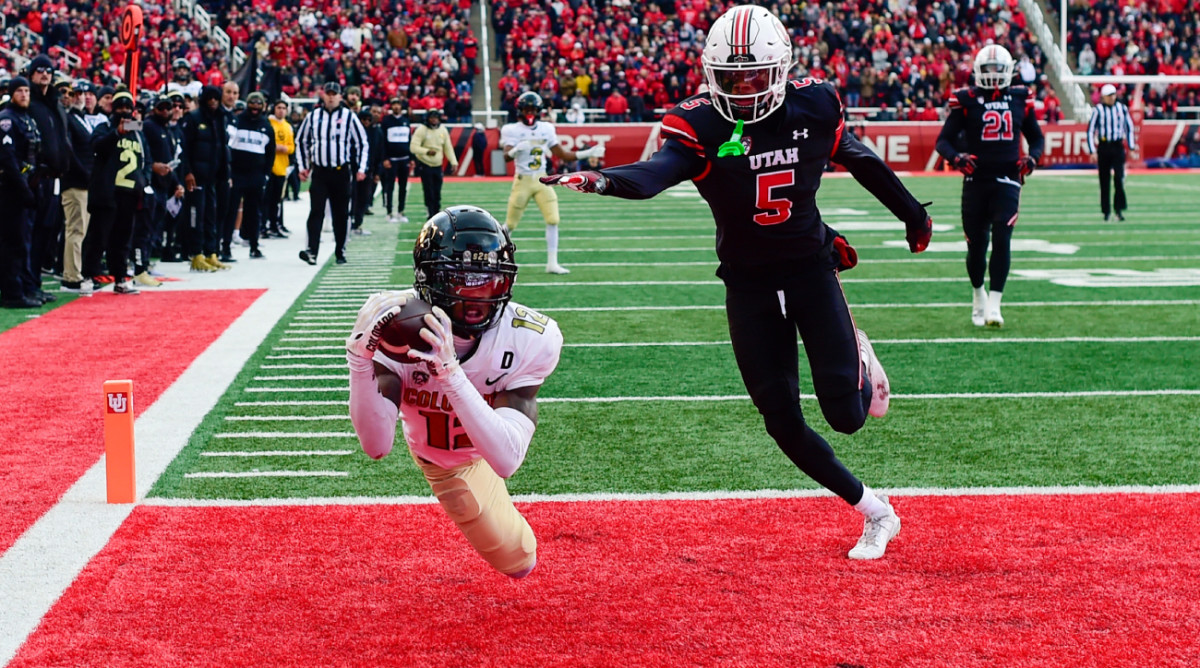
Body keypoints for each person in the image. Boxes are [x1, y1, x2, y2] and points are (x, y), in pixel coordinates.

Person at [542, 4, 933, 560]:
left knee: (846, 416)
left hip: (809, 269)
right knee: (781, 421)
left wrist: (913, 214)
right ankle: (876, 511)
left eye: (755, 75)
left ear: (782, 69)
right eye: (732, 78)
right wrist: (604, 179)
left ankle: (861, 355)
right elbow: (656, 174)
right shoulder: (699, 123)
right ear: (711, 75)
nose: (745, 89)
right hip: (747, 283)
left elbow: (860, 157)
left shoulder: (814, 105)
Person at [347, 205, 562, 578]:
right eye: (461, 279)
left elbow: (507, 460)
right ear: (428, 280)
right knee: (519, 559)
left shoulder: (531, 337)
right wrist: (358, 362)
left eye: (489, 279)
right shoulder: (397, 330)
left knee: (520, 562)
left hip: (487, 447)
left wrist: (449, 373)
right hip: (443, 460)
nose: (478, 295)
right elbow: (377, 446)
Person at [935, 44, 1044, 328]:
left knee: (1002, 238)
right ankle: (978, 295)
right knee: (976, 246)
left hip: (1008, 178)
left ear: (1009, 71)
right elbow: (943, 141)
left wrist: (1032, 158)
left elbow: (1037, 138)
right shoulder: (967, 99)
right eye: (988, 69)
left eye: (998, 69)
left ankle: (995, 304)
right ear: (978, 72)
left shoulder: (1021, 97)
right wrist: (956, 158)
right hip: (976, 179)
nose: (994, 74)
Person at [500, 91, 604, 274]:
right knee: (510, 225)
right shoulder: (511, 130)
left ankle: (552, 263)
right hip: (522, 180)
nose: (530, 113)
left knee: (553, 219)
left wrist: (587, 153)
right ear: (520, 110)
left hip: (542, 178)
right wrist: (516, 150)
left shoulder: (546, 128)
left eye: (533, 109)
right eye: (527, 109)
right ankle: (496, 255)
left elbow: (561, 154)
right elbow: (506, 157)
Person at [295, 81, 369, 266]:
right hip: (320, 172)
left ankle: (340, 251)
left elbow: (362, 142)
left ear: (339, 96)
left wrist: (361, 168)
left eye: (334, 94)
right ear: (322, 95)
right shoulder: (313, 116)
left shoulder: (348, 116)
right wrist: (303, 166)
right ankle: (312, 250)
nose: (330, 96)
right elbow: (301, 140)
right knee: (316, 211)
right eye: (327, 93)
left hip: (340, 171)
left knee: (341, 214)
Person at [83, 91, 145, 295]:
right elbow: (96, 147)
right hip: (107, 191)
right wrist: (116, 133)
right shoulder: (104, 128)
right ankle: (88, 276)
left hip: (129, 192)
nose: (125, 112)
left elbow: (146, 158)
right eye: (120, 107)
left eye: (128, 108)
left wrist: (144, 183)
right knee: (98, 237)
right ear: (112, 109)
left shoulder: (137, 131)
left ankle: (120, 277)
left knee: (122, 238)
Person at [0, 76, 42, 308]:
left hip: (29, 184)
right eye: (20, 91)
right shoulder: (7, 119)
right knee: (13, 241)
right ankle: (12, 292)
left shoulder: (26, 118)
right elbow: (8, 159)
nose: (24, 95)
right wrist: (23, 188)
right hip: (11, 188)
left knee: (25, 240)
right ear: (11, 93)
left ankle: (25, 287)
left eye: (27, 90)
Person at [180, 85, 231, 272]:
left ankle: (211, 252)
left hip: (214, 176)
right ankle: (196, 254)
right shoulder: (193, 118)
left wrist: (225, 172)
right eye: (209, 99)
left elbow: (223, 147)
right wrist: (187, 172)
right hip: (196, 177)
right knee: (196, 215)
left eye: (216, 99)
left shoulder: (220, 118)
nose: (213, 102)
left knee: (212, 215)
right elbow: (184, 149)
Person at [226, 92, 276, 259]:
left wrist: (266, 175)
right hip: (237, 173)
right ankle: (226, 246)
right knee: (231, 210)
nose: (255, 107)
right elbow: (229, 147)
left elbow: (271, 153)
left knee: (254, 212)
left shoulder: (267, 126)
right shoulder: (237, 121)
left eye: (258, 104)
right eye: (252, 104)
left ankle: (254, 246)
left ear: (263, 106)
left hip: (256, 175)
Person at [61, 78, 96, 294]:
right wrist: (84, 174)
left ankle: (77, 273)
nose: (79, 97)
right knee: (75, 228)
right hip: (76, 182)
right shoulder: (69, 119)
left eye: (82, 94)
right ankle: (71, 277)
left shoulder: (82, 119)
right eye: (75, 94)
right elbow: (70, 152)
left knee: (81, 230)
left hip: (85, 182)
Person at [1087, 83, 1137, 222]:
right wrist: (1092, 150)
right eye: (1109, 95)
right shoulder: (1098, 110)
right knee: (1104, 181)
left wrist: (1131, 147)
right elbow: (1091, 130)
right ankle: (1106, 211)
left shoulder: (1122, 109)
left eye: (1114, 94)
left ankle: (1119, 209)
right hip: (1104, 146)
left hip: (1117, 146)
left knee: (1119, 179)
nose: (1112, 97)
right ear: (1103, 97)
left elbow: (1129, 128)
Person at [411, 108, 458, 218]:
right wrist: (426, 151)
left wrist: (453, 161)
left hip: (438, 164)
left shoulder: (442, 130)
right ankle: (430, 211)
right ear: (427, 118)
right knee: (429, 190)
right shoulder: (422, 130)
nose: (434, 120)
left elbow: (448, 147)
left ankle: (437, 212)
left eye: (436, 118)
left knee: (437, 191)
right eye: (432, 118)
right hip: (425, 163)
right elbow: (413, 147)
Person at [264, 99, 294, 238]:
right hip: (269, 167)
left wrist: (285, 148)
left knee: (277, 200)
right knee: (266, 199)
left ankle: (275, 225)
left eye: (283, 108)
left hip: (282, 167)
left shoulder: (288, 126)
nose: (281, 110)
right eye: (278, 107)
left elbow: (292, 147)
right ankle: (264, 226)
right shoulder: (269, 123)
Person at [379, 97, 412, 223]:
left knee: (403, 187)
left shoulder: (406, 120)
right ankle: (389, 212)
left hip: (404, 159)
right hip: (391, 160)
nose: (396, 107)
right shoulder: (386, 121)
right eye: (394, 104)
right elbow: (382, 142)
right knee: (389, 187)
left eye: (398, 104)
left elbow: (409, 140)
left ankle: (401, 211)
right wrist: (385, 158)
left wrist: (411, 157)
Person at [351, 109, 382, 236]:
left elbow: (379, 153)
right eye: (364, 119)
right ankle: (349, 222)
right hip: (353, 170)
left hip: (368, 170)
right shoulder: (352, 132)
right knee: (351, 197)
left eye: (369, 120)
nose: (366, 122)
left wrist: (377, 172)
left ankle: (358, 223)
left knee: (364, 198)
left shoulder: (376, 132)